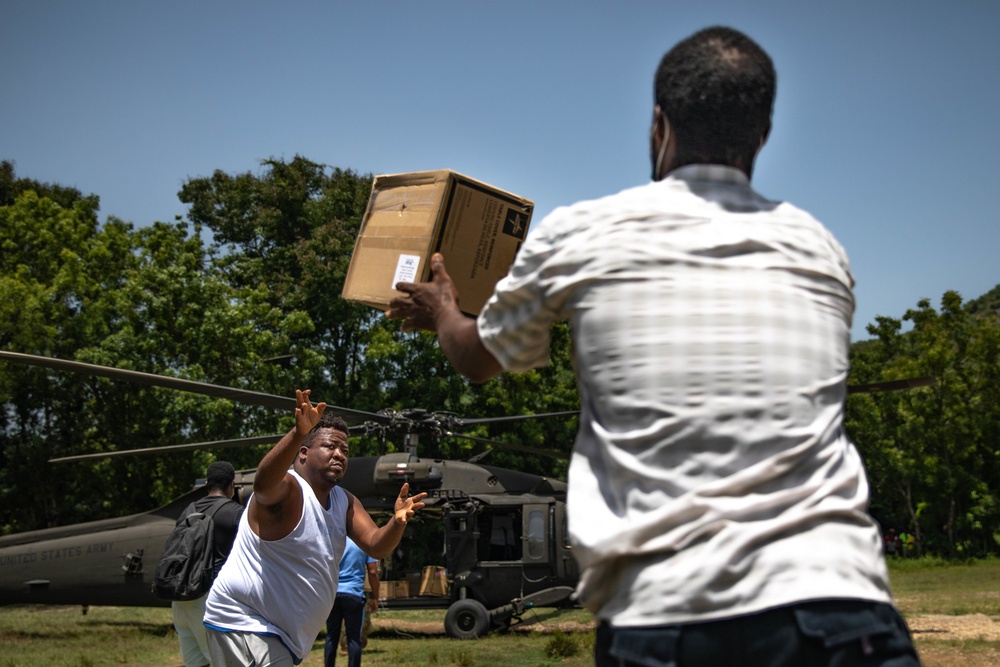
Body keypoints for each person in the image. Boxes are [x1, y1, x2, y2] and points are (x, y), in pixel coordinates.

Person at [387, 26, 921, 667]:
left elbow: (476, 358)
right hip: (841, 609)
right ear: (764, 132)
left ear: (658, 125)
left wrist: (443, 307)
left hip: (667, 617)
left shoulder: (584, 234)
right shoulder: (819, 248)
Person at [203, 389, 426, 666]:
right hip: (245, 621)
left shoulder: (344, 502)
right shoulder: (291, 488)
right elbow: (262, 484)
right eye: (330, 446)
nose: (339, 455)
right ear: (304, 453)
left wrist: (396, 522)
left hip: (277, 634)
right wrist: (297, 433)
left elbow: (376, 544)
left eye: (344, 450)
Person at [171, 460, 244, 667]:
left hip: (181, 600)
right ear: (232, 485)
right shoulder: (235, 513)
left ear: (206, 484)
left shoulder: (189, 510)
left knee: (195, 663)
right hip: (208, 600)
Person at [324, 536, 380, 667]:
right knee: (354, 638)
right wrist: (375, 597)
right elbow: (372, 572)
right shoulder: (364, 543)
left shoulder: (332, 541)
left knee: (332, 636)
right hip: (354, 594)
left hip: (333, 594)